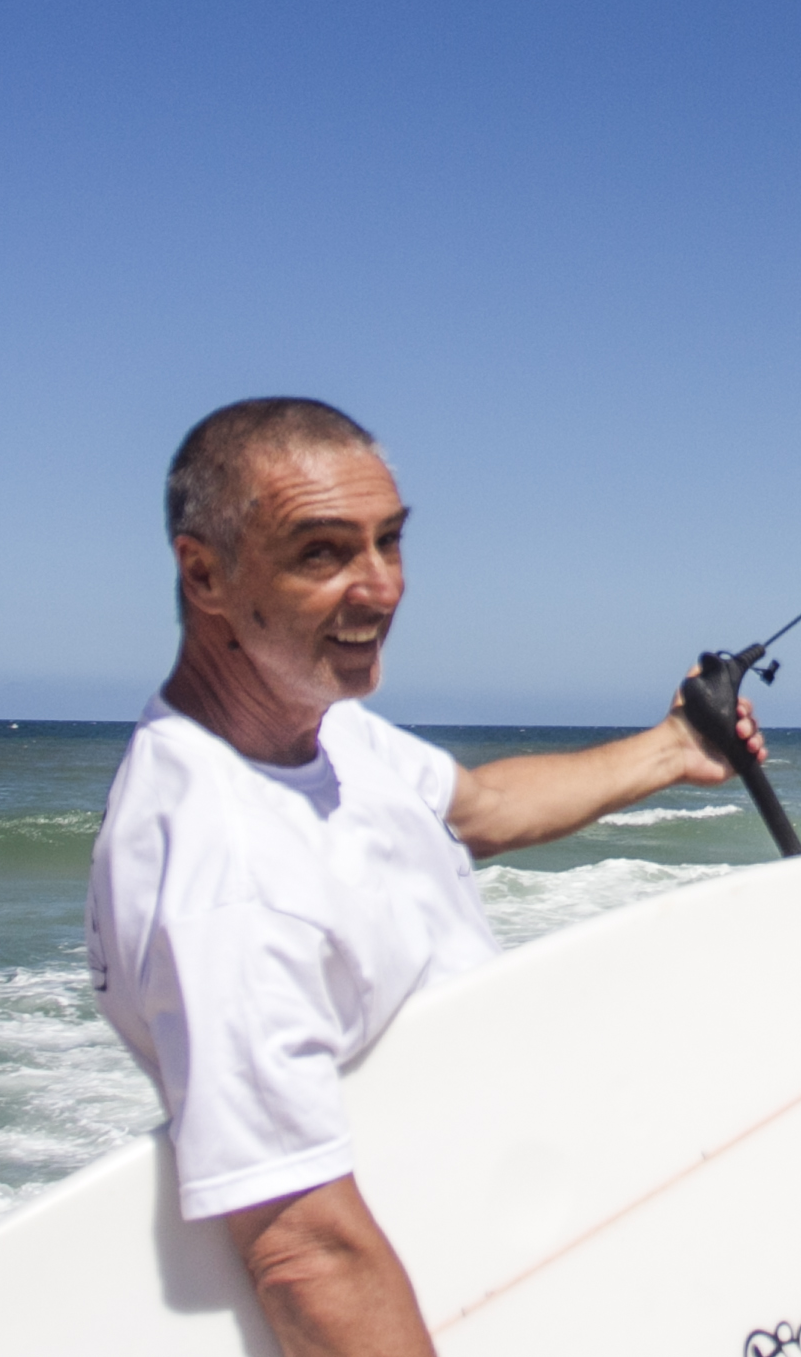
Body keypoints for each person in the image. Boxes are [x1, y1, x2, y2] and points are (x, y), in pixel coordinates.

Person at [86, 397, 762, 1357]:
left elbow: (474, 807)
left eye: (390, 541)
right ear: (206, 573)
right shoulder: (222, 863)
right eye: (323, 552)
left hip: (488, 1236)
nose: (381, 588)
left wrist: (671, 749)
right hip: (417, 1284)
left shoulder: (313, 717)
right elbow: (303, 1253)